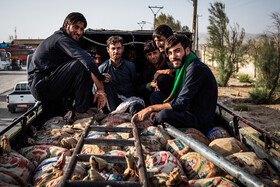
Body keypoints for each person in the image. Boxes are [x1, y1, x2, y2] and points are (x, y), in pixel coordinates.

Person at [132, 34, 218, 134]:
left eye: (177, 51)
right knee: (156, 96)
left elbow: (180, 103)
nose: (173, 56)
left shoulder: (195, 68)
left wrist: (151, 108)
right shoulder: (185, 65)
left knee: (162, 115)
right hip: (189, 108)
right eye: (170, 53)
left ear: (187, 50)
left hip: (199, 118)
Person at [28, 12, 106, 121]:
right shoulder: (62, 39)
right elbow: (87, 61)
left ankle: (79, 108)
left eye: (82, 29)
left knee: (84, 66)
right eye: (76, 27)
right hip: (42, 85)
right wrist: (100, 87)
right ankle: (81, 111)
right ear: (66, 25)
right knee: (81, 64)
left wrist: (98, 77)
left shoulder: (66, 40)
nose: (79, 32)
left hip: (48, 83)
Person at [98, 35, 144, 114]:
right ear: (108, 50)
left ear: (122, 49)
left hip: (128, 100)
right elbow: (96, 90)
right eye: (113, 48)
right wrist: (101, 81)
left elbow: (135, 86)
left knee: (135, 107)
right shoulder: (102, 68)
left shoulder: (130, 66)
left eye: (118, 48)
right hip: (112, 103)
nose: (116, 51)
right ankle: (114, 113)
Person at [136, 40, 173, 105]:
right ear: (146, 56)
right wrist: (151, 84)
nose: (153, 57)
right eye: (149, 54)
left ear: (160, 52)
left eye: (155, 53)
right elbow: (138, 88)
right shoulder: (146, 69)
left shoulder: (168, 63)